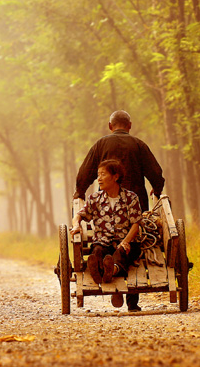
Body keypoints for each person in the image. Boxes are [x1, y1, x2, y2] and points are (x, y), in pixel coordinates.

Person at [73, 110, 165, 311]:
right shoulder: (139, 145)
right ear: (129, 126)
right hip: (137, 206)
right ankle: (133, 302)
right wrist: (156, 189)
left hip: (109, 206)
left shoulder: (101, 144)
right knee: (135, 250)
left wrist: (80, 190)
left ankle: (108, 275)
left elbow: (85, 171)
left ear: (110, 126)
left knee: (119, 248)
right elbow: (156, 172)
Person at [71, 159, 143, 309]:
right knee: (97, 251)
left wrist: (126, 241)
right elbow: (78, 215)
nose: (99, 178)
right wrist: (76, 225)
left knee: (121, 252)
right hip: (102, 243)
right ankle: (99, 269)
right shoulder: (94, 199)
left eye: (103, 174)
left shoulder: (131, 198)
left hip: (126, 243)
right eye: (98, 175)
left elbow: (136, 224)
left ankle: (110, 270)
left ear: (115, 177)